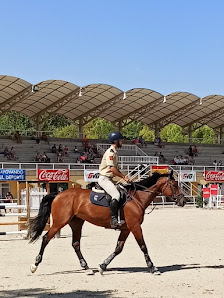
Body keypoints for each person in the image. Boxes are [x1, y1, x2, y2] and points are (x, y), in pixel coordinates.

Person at [98, 132, 130, 229]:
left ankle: (121, 217)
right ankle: (114, 220)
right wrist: (123, 177)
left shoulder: (115, 152)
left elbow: (116, 169)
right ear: (116, 141)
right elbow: (112, 168)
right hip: (104, 178)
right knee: (116, 195)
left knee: (123, 191)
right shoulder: (110, 152)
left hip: (110, 179)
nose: (122, 142)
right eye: (120, 140)